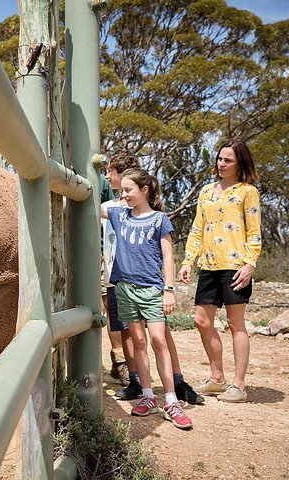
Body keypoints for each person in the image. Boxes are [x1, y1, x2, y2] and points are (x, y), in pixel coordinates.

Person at [104, 153, 203, 406]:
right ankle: (143, 390)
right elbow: (91, 205)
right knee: (135, 338)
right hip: (122, 285)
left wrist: (168, 290)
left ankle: (173, 391)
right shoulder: (118, 212)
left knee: (159, 337)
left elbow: (168, 256)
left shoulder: (158, 219)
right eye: (122, 189)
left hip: (151, 286)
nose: (123, 194)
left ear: (142, 188)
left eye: (128, 189)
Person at [178, 139, 261, 403]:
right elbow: (196, 229)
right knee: (201, 321)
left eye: (228, 160)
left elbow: (254, 232)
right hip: (209, 265)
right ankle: (217, 378)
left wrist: (250, 264)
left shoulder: (248, 192)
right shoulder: (206, 192)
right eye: (219, 159)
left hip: (236, 266)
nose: (221, 164)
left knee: (236, 325)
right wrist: (187, 261)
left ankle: (239, 385)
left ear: (240, 164)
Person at [99, 172, 129, 385]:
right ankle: (120, 361)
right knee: (110, 308)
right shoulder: (110, 202)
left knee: (115, 310)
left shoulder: (102, 184)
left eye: (113, 170)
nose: (109, 175)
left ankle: (124, 362)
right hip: (104, 260)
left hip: (115, 261)